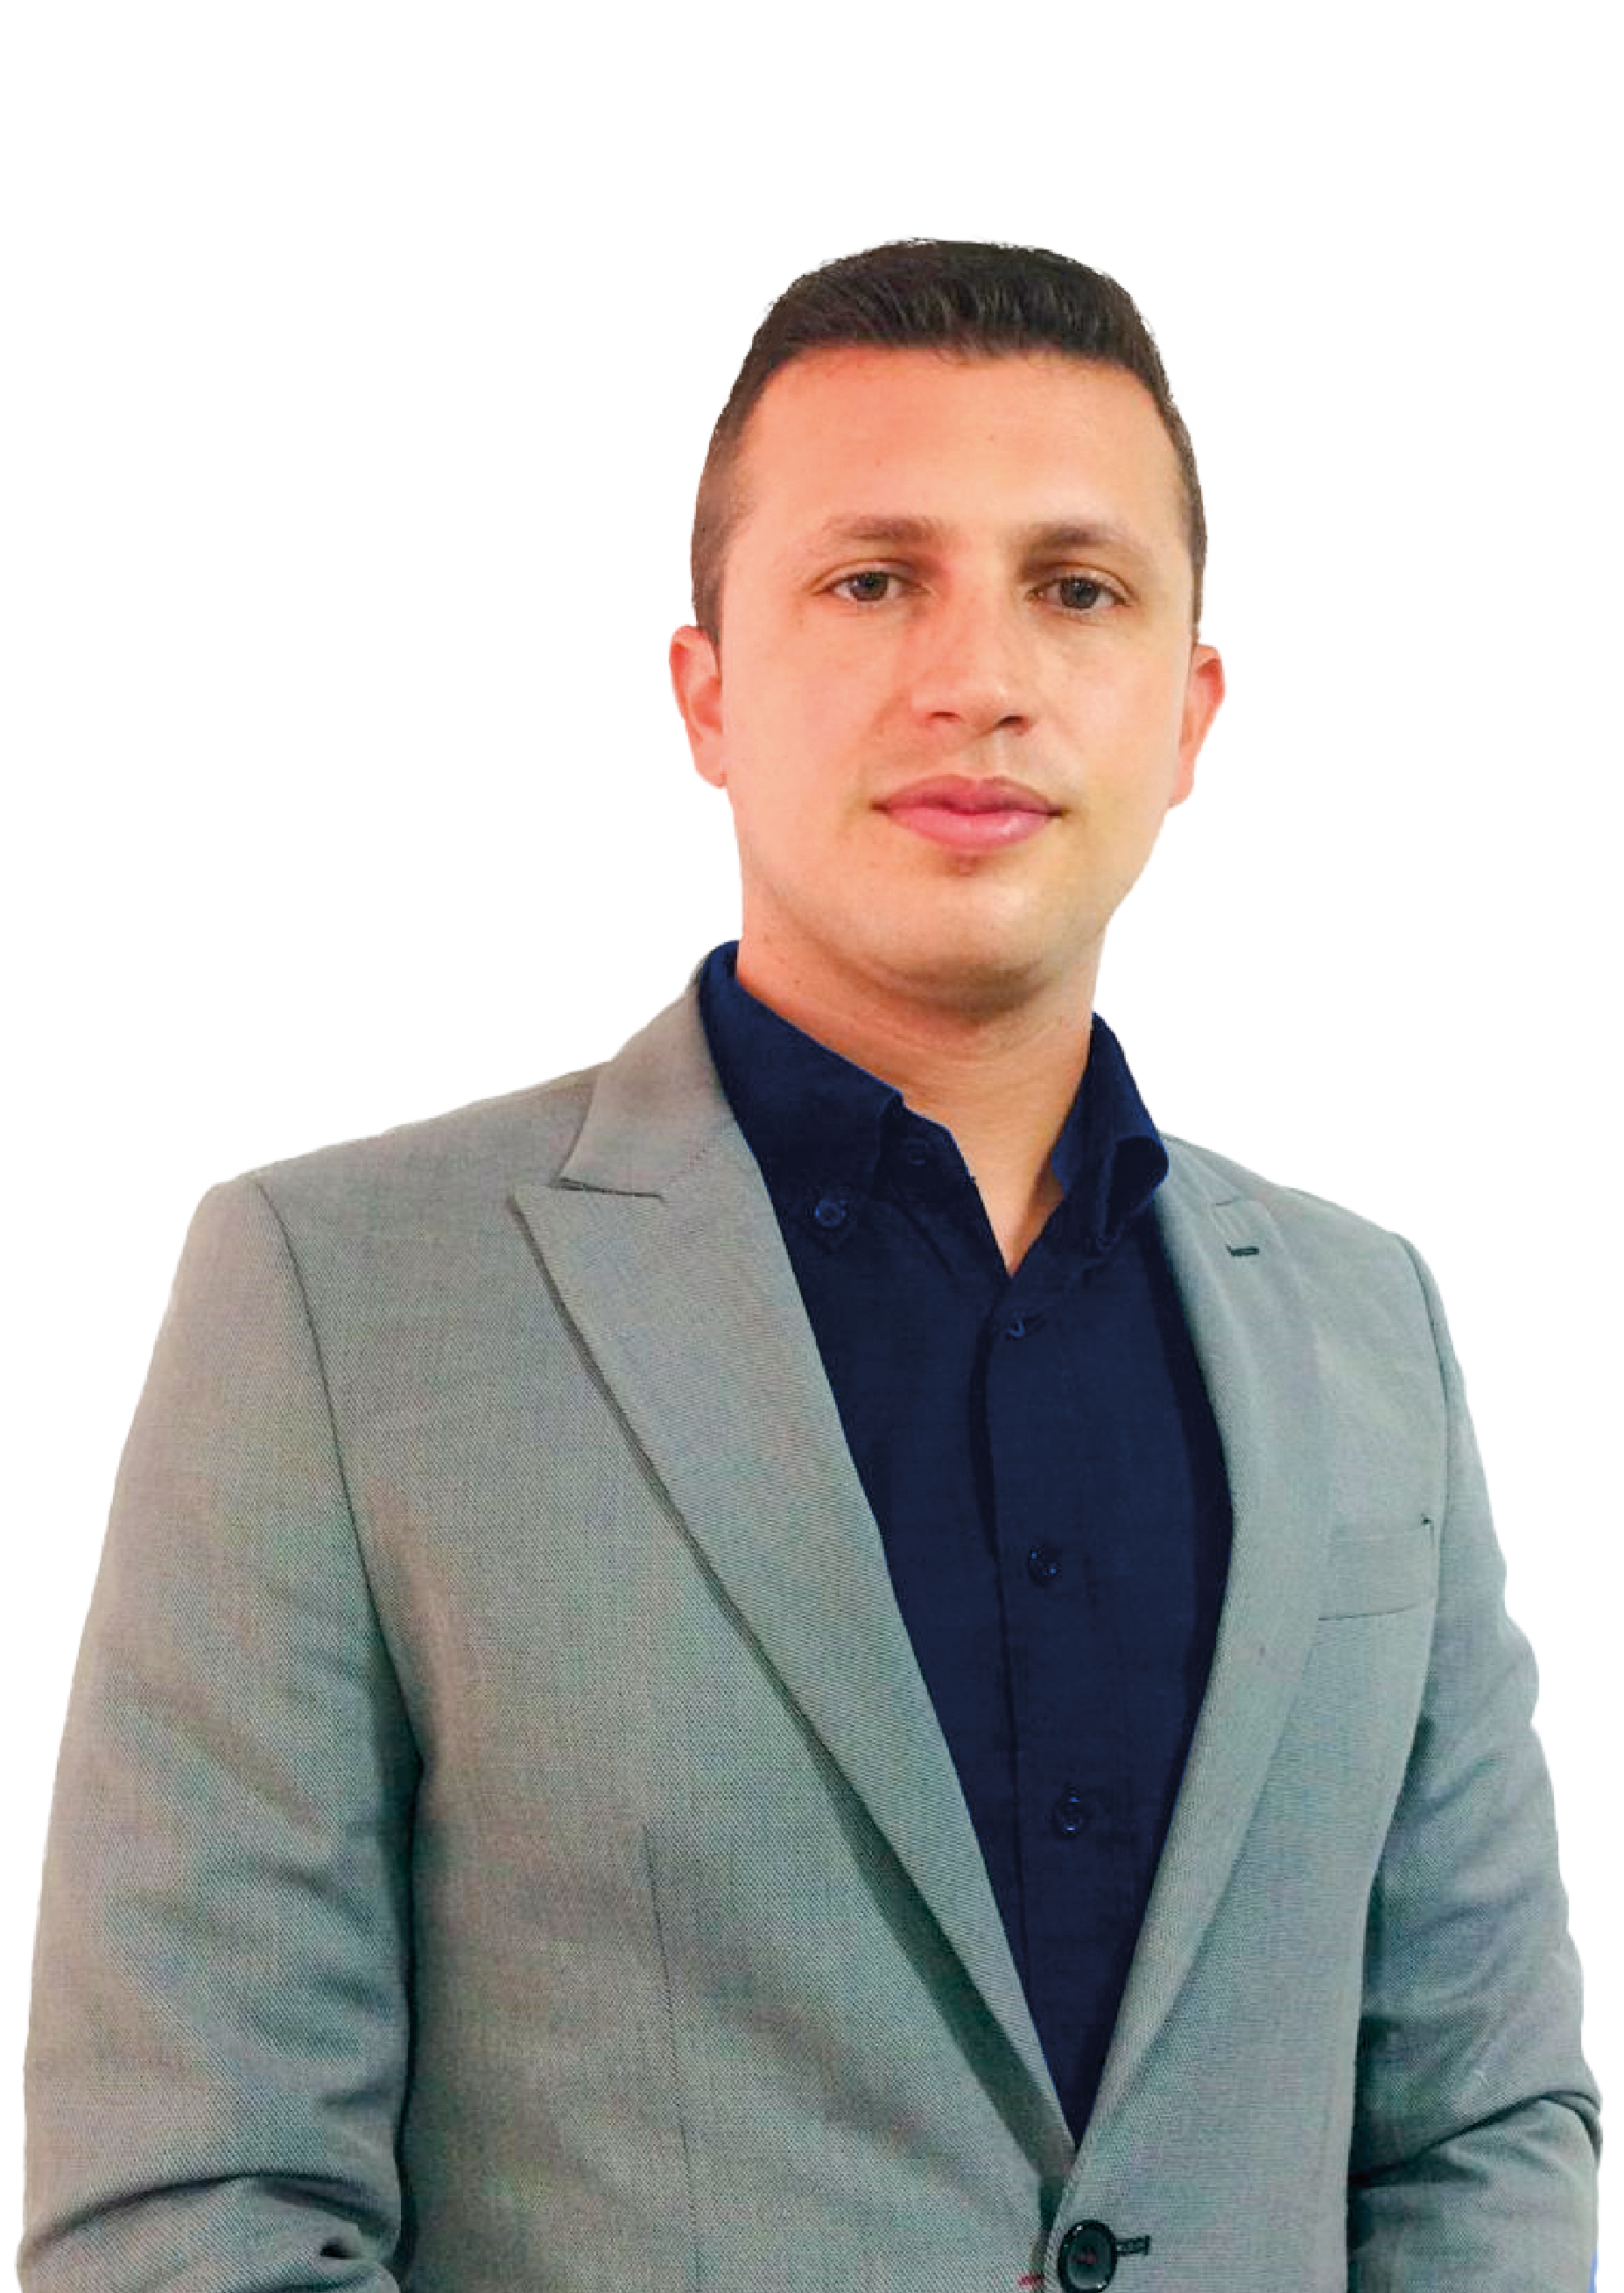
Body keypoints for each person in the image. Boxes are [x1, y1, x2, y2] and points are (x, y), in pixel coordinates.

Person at [18, 234, 1602, 2289]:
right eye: (872, 582)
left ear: (1193, 710)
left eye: (1077, 588)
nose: (979, 678)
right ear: (704, 691)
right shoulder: (341, 1300)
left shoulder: (1369, 1323)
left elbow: (1482, 2122)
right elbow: (195, 2196)